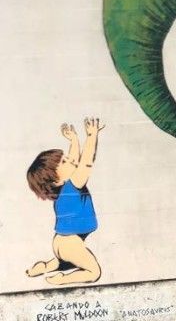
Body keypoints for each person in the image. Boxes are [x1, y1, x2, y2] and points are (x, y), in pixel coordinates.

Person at [25, 117, 104, 285]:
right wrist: (91, 136)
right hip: (70, 243)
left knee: (64, 261)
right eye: (64, 161)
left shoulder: (63, 190)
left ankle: (44, 267)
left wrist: (74, 140)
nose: (70, 159)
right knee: (94, 272)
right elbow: (86, 163)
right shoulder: (72, 187)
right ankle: (63, 279)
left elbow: (75, 160)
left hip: (62, 243)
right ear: (56, 181)